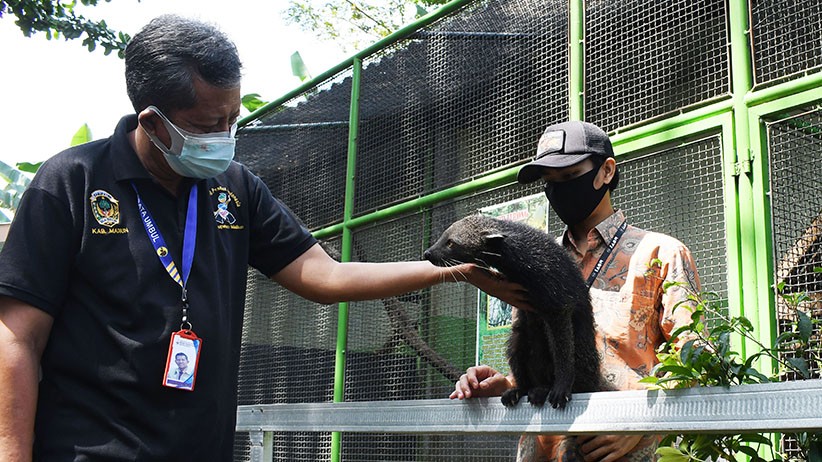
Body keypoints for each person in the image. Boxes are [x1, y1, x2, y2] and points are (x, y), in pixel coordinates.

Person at [0, 15, 530, 461]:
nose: (226, 136)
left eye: (233, 118)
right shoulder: (72, 183)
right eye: (210, 124)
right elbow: (17, 338)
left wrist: (456, 270)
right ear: (154, 123)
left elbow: (325, 274)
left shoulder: (234, 188)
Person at [450, 121, 701, 462]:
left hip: (616, 452)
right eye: (549, 182)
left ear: (606, 171)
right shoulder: (531, 260)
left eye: (568, 177)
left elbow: (694, 360)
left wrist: (643, 424)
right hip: (541, 448)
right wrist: (505, 385)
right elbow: (536, 349)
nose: (558, 190)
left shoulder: (660, 254)